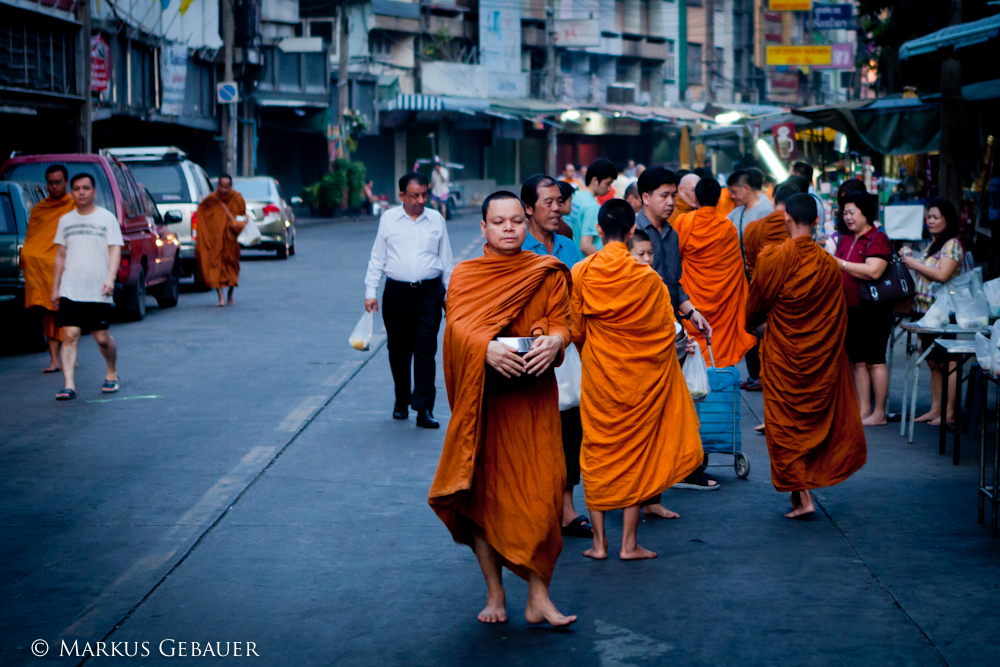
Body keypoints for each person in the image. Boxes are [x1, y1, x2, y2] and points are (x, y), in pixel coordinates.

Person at [428, 191, 576, 627]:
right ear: (484, 228)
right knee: (485, 497)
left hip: (533, 403)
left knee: (543, 495)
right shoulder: (465, 276)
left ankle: (538, 596)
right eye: (499, 222)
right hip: (486, 406)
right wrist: (484, 349)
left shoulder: (546, 271)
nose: (509, 228)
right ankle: (495, 593)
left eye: (516, 220)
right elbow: (456, 329)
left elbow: (564, 322)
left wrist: (556, 341)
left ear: (526, 222)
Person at [571, 200, 703, 559]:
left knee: (597, 454)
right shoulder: (648, 279)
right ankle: (628, 544)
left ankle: (599, 545)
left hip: (600, 379)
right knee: (636, 456)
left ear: (598, 231)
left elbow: (576, 330)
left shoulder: (582, 272)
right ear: (632, 232)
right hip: (640, 383)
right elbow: (666, 334)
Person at [746, 193, 867, 519]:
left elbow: (753, 308)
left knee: (786, 425)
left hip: (784, 355)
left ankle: (802, 497)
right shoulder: (828, 264)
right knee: (810, 424)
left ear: (786, 219)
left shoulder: (772, 259)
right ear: (817, 221)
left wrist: (758, 325)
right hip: (818, 357)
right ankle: (804, 495)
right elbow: (838, 315)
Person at [632, 166, 718, 492]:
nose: (670, 202)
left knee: (679, 401)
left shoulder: (671, 233)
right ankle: (652, 473)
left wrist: (692, 312)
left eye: (673, 195)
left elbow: (674, 284)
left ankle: (680, 465)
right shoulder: (633, 236)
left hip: (673, 329)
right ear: (645, 198)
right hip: (645, 335)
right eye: (664, 196)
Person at [520, 175, 588, 538]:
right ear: (528, 208)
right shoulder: (519, 250)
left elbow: (580, 299)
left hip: (565, 351)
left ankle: (566, 508)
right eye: (546, 202)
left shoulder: (568, 247)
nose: (555, 208)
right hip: (528, 353)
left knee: (569, 430)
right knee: (531, 432)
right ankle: (534, 507)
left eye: (558, 201)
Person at [365, 172, 454, 428]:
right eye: (414, 195)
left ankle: (424, 408)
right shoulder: (389, 220)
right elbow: (377, 258)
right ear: (401, 195)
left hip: (429, 293)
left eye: (424, 194)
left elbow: (446, 261)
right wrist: (370, 291)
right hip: (397, 294)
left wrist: (451, 295)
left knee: (425, 350)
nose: (420, 200)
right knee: (399, 350)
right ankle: (401, 400)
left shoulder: (436, 219)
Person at [50, 174, 123, 401]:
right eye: (77, 189)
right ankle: (68, 384)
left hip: (98, 289)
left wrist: (110, 278)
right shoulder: (65, 221)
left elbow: (115, 250)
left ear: (94, 192)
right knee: (70, 335)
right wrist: (55, 287)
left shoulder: (106, 218)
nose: (81, 192)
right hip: (71, 288)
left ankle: (111, 371)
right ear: (71, 193)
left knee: (101, 337)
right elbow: (60, 255)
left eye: (86, 188)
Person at [673, 177, 757, 369]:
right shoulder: (726, 227)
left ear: (696, 197)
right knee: (718, 343)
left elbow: (674, 258)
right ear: (719, 199)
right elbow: (736, 269)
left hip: (692, 298)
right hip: (722, 299)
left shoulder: (684, 222)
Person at [901, 198, 966, 425]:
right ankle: (935, 410)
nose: (930, 221)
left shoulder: (952, 244)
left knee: (948, 362)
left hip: (943, 314)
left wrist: (913, 262)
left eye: (936, 217)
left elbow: (941, 274)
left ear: (947, 221)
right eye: (929, 217)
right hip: (926, 312)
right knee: (932, 362)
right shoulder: (934, 243)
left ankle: (948, 413)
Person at [835, 192, 893, 427]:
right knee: (857, 361)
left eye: (852, 212)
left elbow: (874, 270)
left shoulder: (877, 238)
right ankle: (863, 409)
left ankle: (879, 412)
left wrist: (839, 263)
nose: (847, 217)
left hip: (874, 308)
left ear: (865, 212)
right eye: (845, 213)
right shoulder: (847, 238)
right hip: (850, 308)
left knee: (875, 360)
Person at [21, 164, 76, 373]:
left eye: (58, 182)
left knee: (69, 314)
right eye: (51, 183)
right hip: (45, 271)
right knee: (48, 314)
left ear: (66, 182)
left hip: (67, 268)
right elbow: (33, 241)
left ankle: (70, 355)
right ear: (47, 184)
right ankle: (54, 360)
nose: (55, 187)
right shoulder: (40, 210)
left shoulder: (73, 206)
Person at [195, 174, 245, 307]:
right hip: (215, 240)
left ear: (231, 186)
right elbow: (201, 212)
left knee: (232, 267)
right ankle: (221, 297)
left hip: (231, 241)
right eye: (221, 187)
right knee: (215, 266)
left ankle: (230, 294)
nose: (224, 190)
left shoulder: (237, 198)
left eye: (227, 187)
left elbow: (242, 216)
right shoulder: (212, 200)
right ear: (218, 186)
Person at [567, 158, 616, 256]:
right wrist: (606, 262)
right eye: (607, 183)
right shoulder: (592, 207)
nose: (610, 188)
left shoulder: (574, 197)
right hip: (585, 264)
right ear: (595, 180)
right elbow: (586, 246)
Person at [824, 179, 868, 255]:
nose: (848, 216)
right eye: (843, 203)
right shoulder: (834, 233)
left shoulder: (876, 235)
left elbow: (874, 266)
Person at [727, 169, 775, 240]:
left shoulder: (765, 212)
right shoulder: (738, 210)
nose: (733, 196)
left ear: (746, 188)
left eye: (734, 192)